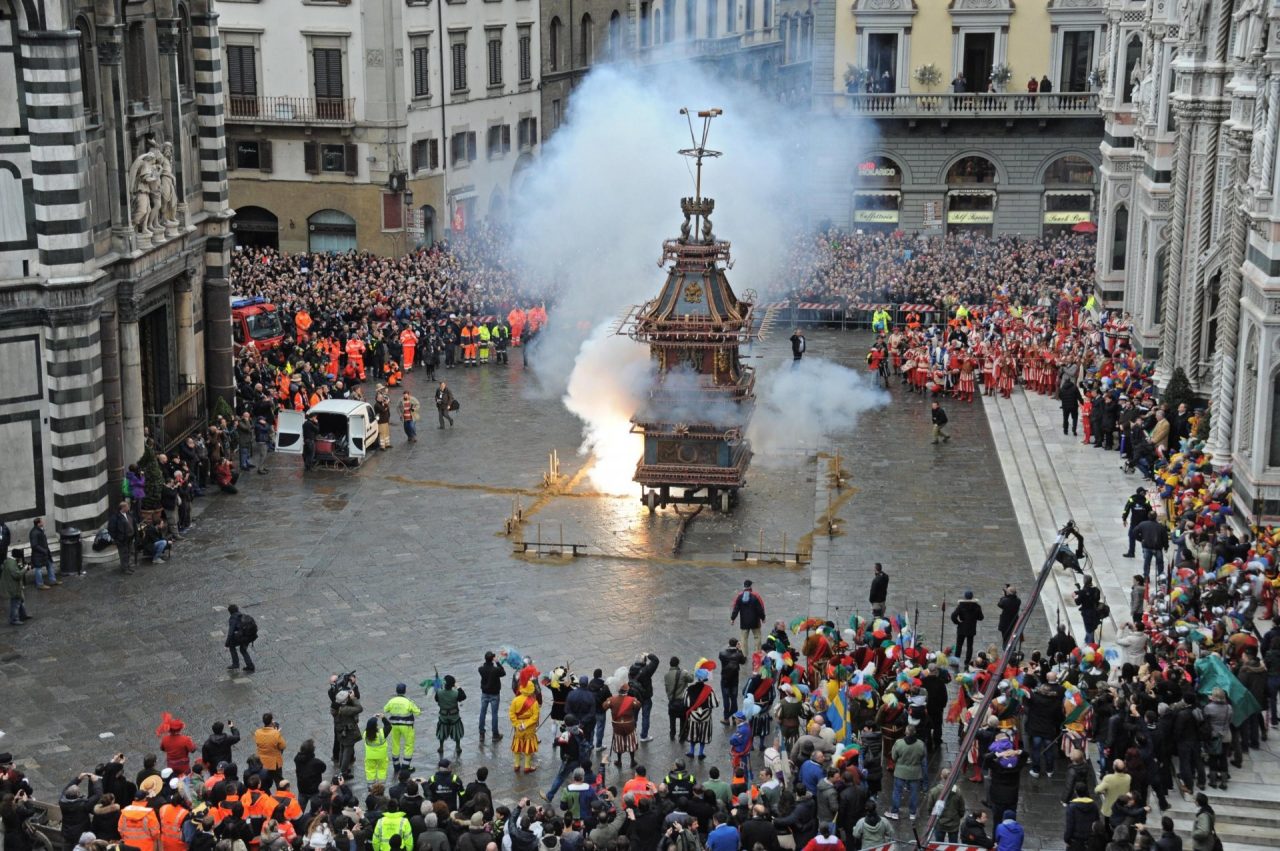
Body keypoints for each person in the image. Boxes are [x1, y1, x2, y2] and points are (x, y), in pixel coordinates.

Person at [886, 726, 926, 820]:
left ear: (905, 732)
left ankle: (895, 812)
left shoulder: (899, 743)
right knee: (914, 793)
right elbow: (923, 756)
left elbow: (894, 757)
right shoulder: (920, 744)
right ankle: (912, 813)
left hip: (900, 772)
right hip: (915, 773)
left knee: (897, 792)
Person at [383, 683, 422, 772]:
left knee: (395, 744)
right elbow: (417, 712)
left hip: (394, 726)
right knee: (408, 745)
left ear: (396, 691)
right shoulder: (408, 701)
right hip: (407, 726)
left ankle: (396, 766)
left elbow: (385, 709)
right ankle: (405, 766)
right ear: (405, 691)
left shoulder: (392, 701)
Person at [921, 769, 965, 842]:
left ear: (941, 776)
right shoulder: (957, 791)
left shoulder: (934, 791)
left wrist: (932, 816)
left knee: (939, 843)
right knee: (953, 845)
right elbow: (962, 808)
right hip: (953, 823)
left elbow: (929, 807)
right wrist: (958, 816)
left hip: (939, 823)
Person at [730, 580, 766, 656]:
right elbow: (760, 608)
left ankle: (744, 655)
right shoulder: (756, 596)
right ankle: (757, 654)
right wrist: (763, 618)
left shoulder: (739, 596)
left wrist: (732, 619)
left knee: (743, 639)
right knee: (757, 637)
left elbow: (735, 608)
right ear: (751, 586)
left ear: (743, 586)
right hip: (755, 621)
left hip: (744, 622)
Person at [477, 651, 506, 743]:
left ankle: (481, 734)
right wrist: (497, 662)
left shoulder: (481, 669)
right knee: (494, 714)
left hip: (485, 693)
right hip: (494, 694)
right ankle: (495, 735)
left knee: (482, 713)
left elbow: (481, 667)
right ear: (492, 659)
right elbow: (503, 672)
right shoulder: (495, 670)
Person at [434, 675, 466, 755]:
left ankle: (441, 747)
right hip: (454, 716)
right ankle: (458, 746)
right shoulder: (456, 693)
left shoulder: (439, 692)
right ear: (453, 684)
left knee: (442, 732)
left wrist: (439, 689)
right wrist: (458, 687)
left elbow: (436, 699)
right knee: (457, 732)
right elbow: (463, 696)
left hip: (443, 716)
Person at [950, 590, 984, 666]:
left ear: (965, 597)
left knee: (959, 645)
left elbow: (953, 616)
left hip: (962, 627)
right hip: (971, 628)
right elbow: (981, 617)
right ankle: (967, 662)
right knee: (969, 646)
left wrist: (958, 622)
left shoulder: (961, 606)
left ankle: (956, 662)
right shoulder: (977, 606)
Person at [663, 657, 693, 743]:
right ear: (678, 663)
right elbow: (691, 679)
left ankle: (672, 734)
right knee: (683, 719)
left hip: (672, 701)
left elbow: (667, 689)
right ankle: (682, 736)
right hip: (682, 702)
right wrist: (687, 672)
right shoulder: (683, 674)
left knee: (672, 719)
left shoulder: (666, 675)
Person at [718, 639, 747, 723]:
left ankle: (726, 718)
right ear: (737, 644)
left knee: (726, 698)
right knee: (734, 698)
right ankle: (734, 717)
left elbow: (721, 657)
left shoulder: (722, 654)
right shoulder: (738, 654)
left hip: (725, 679)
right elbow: (743, 661)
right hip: (734, 680)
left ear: (728, 644)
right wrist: (740, 650)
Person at [254, 712, 286, 787]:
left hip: (262, 761)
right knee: (279, 781)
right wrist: (277, 733)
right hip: (274, 762)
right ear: (271, 721)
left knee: (264, 782)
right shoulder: (275, 734)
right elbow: (283, 746)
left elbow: (258, 743)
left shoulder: (257, 732)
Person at [3, 548, 31, 626]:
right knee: (15, 603)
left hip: (14, 585)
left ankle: (23, 615)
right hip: (13, 587)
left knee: (20, 600)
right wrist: (25, 569)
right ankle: (14, 619)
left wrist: (22, 567)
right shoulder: (11, 564)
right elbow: (17, 575)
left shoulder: (11, 561)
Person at [28, 517, 58, 589]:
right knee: (38, 569)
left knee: (50, 565)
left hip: (44, 553)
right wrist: (44, 550)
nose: (43, 522)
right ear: (38, 524)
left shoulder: (40, 530)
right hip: (39, 555)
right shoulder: (34, 532)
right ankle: (40, 584)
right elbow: (34, 545)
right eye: (42, 522)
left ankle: (52, 580)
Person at [1122, 488, 1152, 559]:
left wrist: (1124, 518)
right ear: (1141, 492)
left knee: (1131, 536)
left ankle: (1131, 552)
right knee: (1144, 537)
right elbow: (1150, 510)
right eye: (1144, 492)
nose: (1145, 493)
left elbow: (1126, 508)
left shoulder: (1132, 498)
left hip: (1134, 522)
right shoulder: (1146, 501)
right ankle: (1145, 553)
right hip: (1144, 523)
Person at [225, 604, 255, 672]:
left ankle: (235, 664)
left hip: (242, 637)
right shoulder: (243, 615)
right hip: (248, 636)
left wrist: (227, 642)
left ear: (230, 612)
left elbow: (231, 632)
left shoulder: (233, 618)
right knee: (243, 650)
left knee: (231, 646)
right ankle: (250, 666)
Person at [362, 715, 392, 784]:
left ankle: (370, 786)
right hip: (382, 756)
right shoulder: (382, 733)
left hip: (370, 756)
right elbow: (388, 726)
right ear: (376, 726)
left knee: (370, 770)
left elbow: (367, 728)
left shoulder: (365, 734)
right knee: (382, 770)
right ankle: (381, 786)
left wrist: (372, 718)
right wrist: (383, 717)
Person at [109, 500, 136, 575]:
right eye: (127, 506)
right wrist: (117, 539)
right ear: (123, 507)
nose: (129, 507)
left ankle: (127, 566)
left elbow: (133, 523)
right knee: (123, 554)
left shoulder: (128, 514)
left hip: (129, 538)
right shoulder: (115, 517)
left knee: (129, 552)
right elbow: (111, 529)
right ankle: (124, 568)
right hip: (122, 540)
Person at [1074, 576, 1103, 644]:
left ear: (1085, 581)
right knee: (1091, 628)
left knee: (1089, 629)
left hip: (1087, 613)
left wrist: (1074, 597)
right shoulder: (1096, 590)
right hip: (1095, 612)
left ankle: (1090, 645)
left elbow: (1078, 602)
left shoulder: (1083, 592)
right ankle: (1087, 640)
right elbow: (1097, 598)